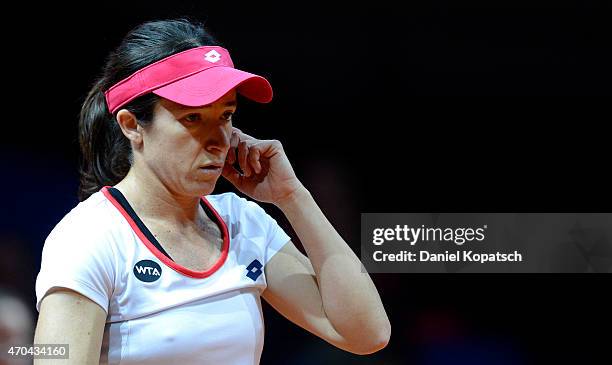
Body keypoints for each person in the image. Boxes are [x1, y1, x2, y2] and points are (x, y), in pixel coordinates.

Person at [33, 18, 390, 364]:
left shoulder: (243, 223)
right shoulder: (89, 237)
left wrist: (292, 197)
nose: (218, 141)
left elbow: (367, 334)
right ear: (132, 125)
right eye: (192, 118)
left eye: (225, 116)